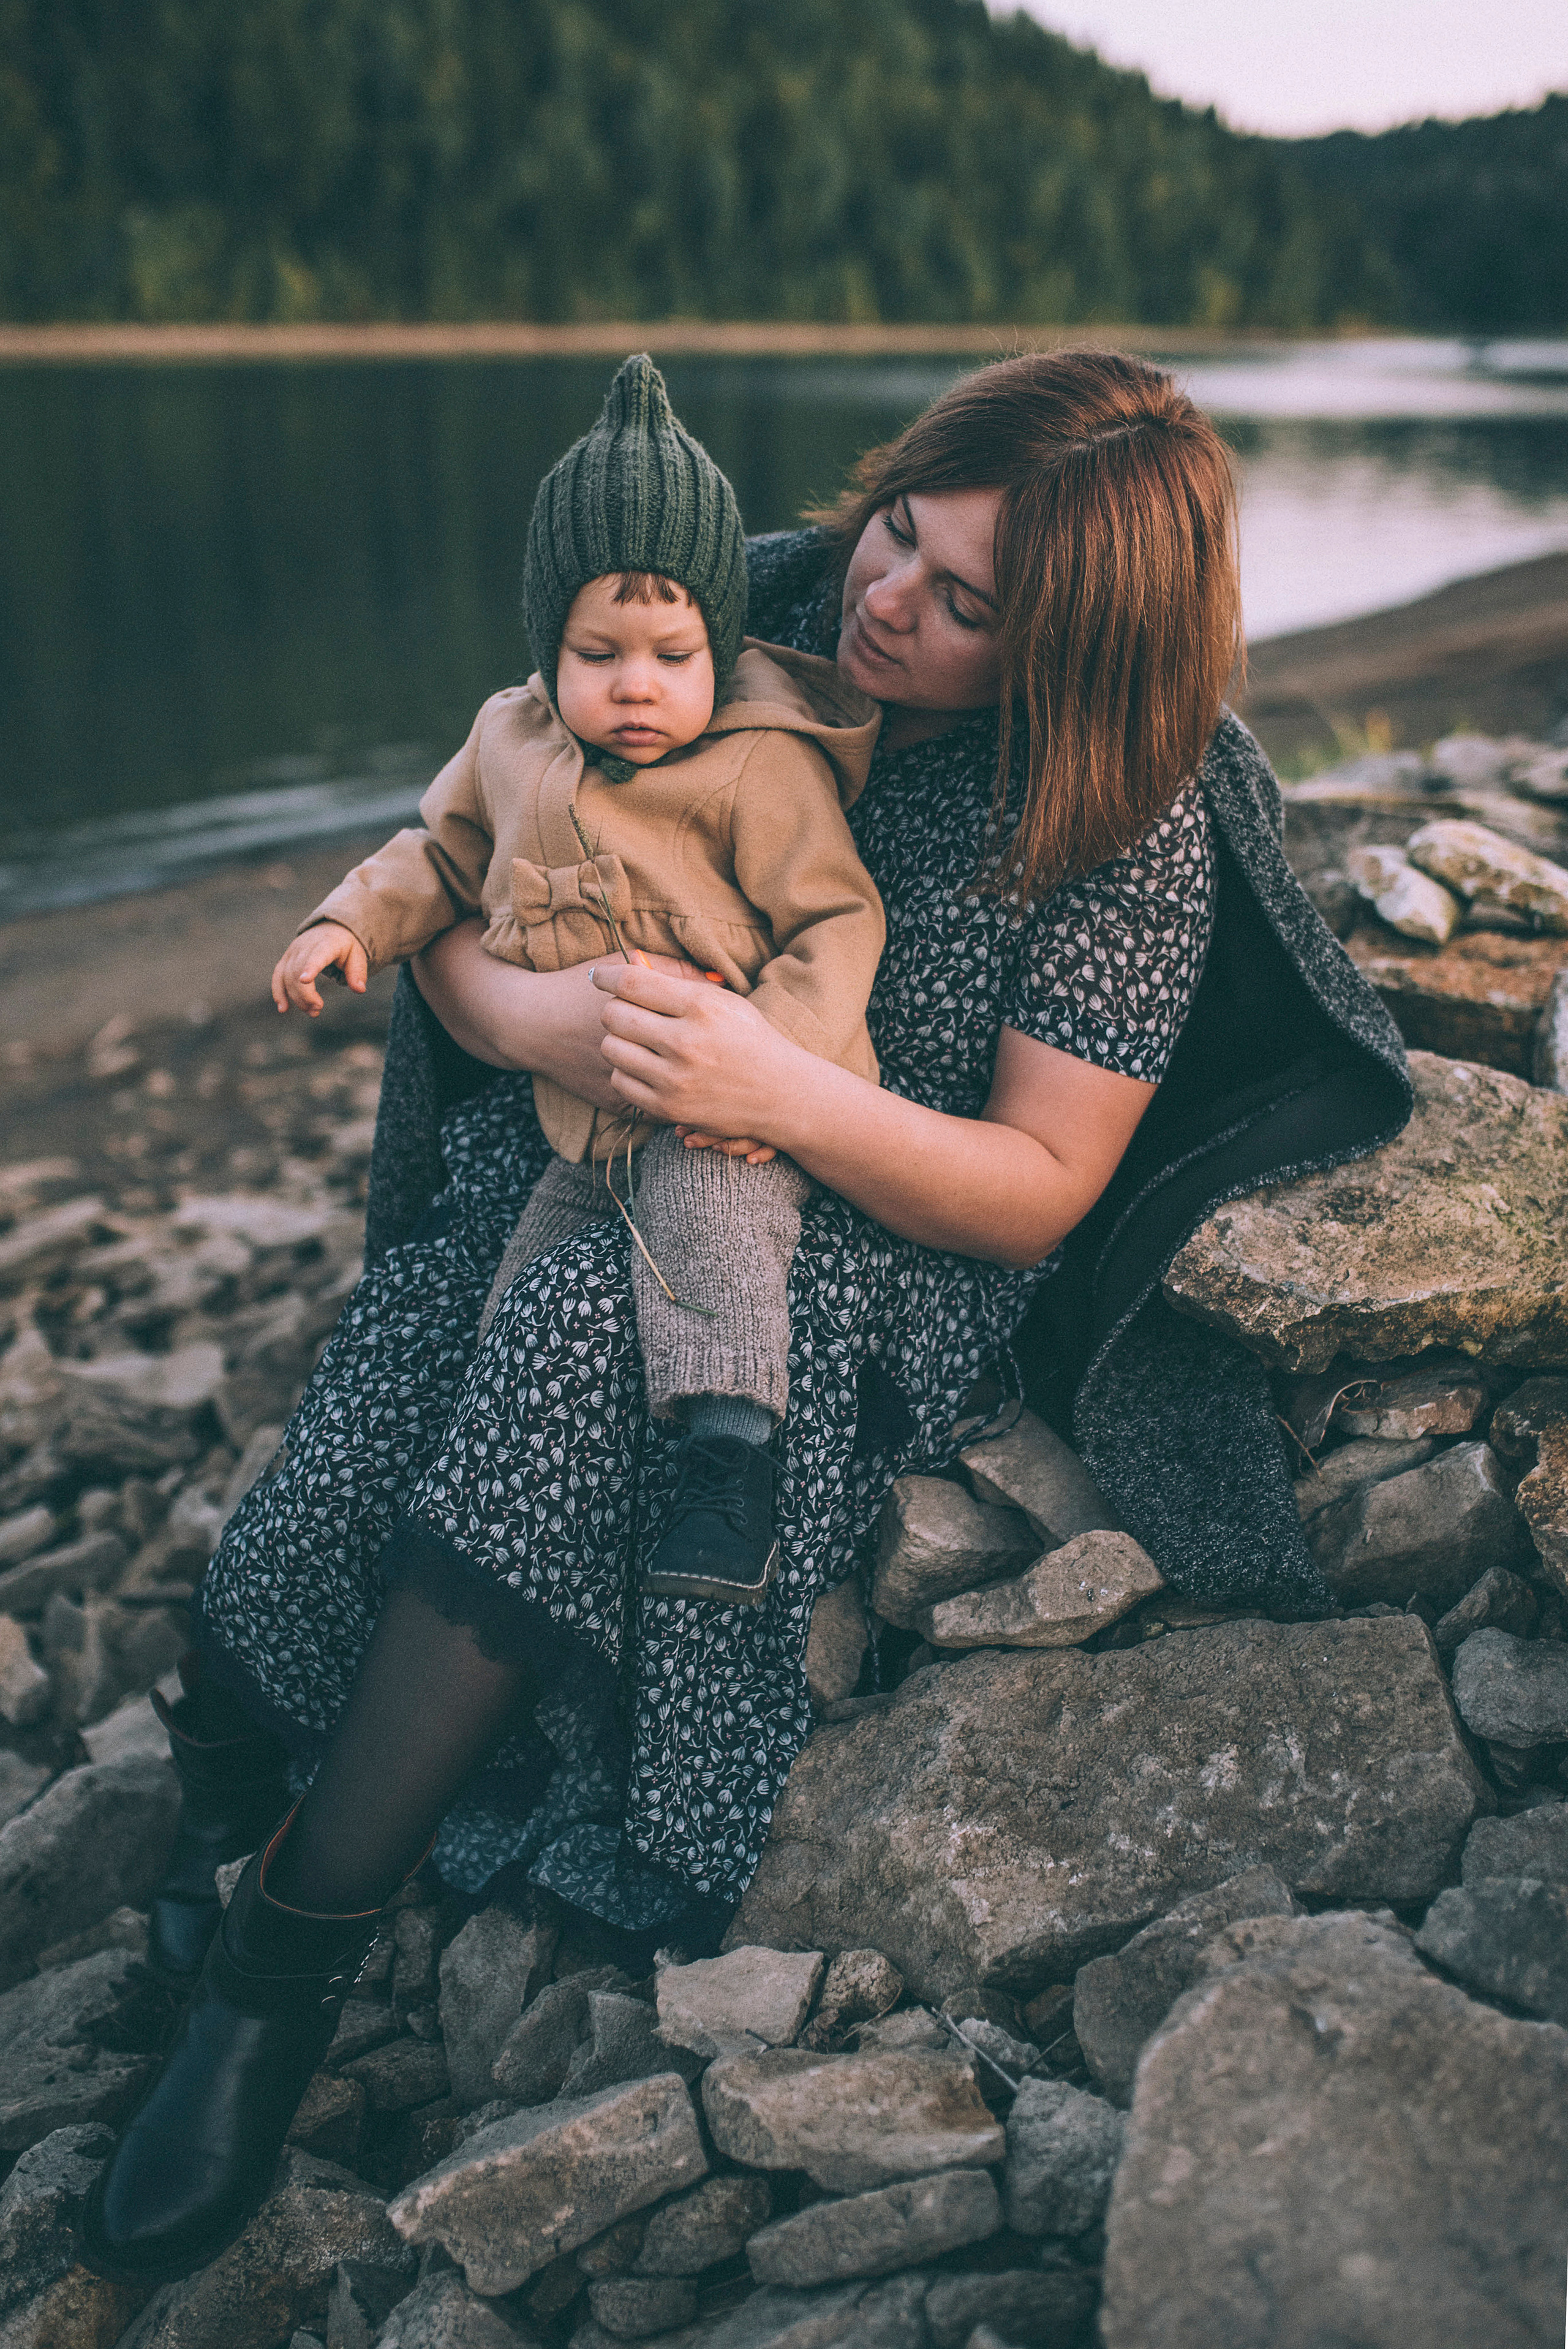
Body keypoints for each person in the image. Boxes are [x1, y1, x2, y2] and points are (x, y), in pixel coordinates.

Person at [84, 350, 1411, 2288]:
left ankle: (288, 1955)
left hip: (866, 1227)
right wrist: (535, 1014)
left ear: (1075, 651)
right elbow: (466, 841)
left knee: (559, 1366)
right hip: (576, 1126)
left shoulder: (1128, 818)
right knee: (345, 1460)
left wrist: (778, 1097)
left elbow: (1039, 1181)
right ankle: (230, 1796)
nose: (888, 603)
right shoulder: (743, 602)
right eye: (903, 534)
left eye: (970, 606)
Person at [270, 354, 887, 1610]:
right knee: (521, 1311)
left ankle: (731, 1469)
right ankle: (508, 1539)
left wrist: (769, 1065)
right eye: (597, 651)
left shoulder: (758, 770)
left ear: (720, 642)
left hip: (731, 1112)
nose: (637, 684)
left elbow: (835, 919)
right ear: (546, 642)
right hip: (584, 1126)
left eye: (673, 652)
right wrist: (351, 926)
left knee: (715, 1237)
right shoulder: (508, 740)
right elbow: (437, 855)